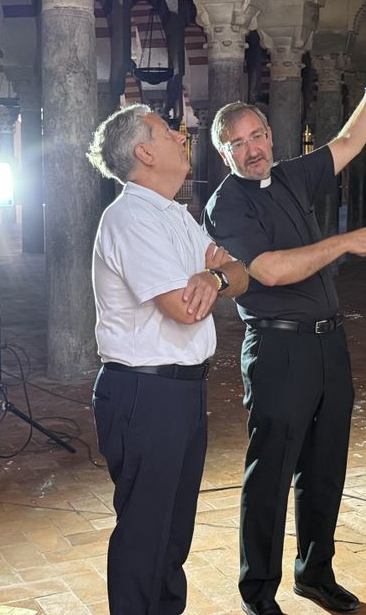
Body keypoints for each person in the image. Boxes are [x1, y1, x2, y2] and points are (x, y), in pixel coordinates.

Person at [203, 18, 366, 615]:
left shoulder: (290, 176)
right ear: (223, 153)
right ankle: (258, 592)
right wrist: (343, 243)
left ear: (270, 135)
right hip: (279, 351)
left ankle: (315, 574)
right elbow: (268, 270)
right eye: (238, 143)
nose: (253, 148)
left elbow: (348, 142)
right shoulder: (226, 205)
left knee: (324, 467)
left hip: (327, 346)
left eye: (258, 135)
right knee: (270, 475)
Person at [87, 104, 249, 614]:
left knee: (174, 531)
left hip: (181, 389)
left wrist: (214, 277)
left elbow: (240, 274)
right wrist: (211, 280)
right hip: (144, 392)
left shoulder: (174, 214)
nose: (181, 136)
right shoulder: (131, 218)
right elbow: (184, 308)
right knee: (145, 533)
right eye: (167, 131)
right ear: (144, 152)